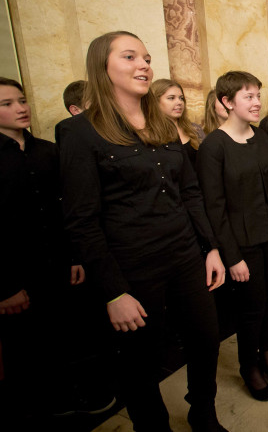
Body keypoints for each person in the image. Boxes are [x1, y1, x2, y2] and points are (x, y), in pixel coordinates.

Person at [58, 31, 227, 432]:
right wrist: (114, 292)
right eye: (130, 56)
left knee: (205, 338)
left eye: (147, 58)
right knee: (140, 360)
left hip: (186, 254)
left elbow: (190, 194)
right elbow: (82, 220)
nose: (144, 65)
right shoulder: (81, 133)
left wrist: (212, 249)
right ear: (103, 66)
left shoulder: (163, 123)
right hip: (132, 265)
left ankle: (203, 409)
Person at [0, 77, 116, 424]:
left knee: (73, 333)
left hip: (60, 263)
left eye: (21, 100)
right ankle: (49, 401)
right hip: (18, 271)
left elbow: (69, 212)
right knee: (32, 344)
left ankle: (84, 391)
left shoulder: (49, 151)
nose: (20, 108)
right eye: (7, 104)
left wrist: (76, 257)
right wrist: (5, 287)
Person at [196, 71, 268, 401]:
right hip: (242, 242)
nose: (256, 102)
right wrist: (232, 256)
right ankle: (248, 366)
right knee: (251, 308)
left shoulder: (261, 137)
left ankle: (266, 356)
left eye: (257, 95)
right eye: (248, 96)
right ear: (227, 102)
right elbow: (215, 207)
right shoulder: (213, 146)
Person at [151, 78, 204, 166]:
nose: (179, 102)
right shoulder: (150, 132)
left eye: (181, 98)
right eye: (171, 98)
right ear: (155, 101)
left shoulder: (194, 129)